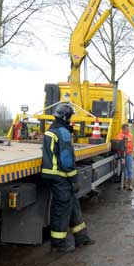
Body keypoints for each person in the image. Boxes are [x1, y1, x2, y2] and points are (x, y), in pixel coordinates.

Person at [41, 103, 94, 253]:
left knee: (73, 205)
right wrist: (74, 179)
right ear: (65, 117)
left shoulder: (51, 130)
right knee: (62, 210)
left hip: (55, 175)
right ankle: (58, 245)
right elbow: (66, 159)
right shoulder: (63, 132)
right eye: (71, 116)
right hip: (61, 177)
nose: (72, 119)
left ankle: (81, 238)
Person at [116, 123, 134, 191]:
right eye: (127, 129)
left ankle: (130, 186)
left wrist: (126, 140)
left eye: (128, 129)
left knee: (130, 170)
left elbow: (131, 144)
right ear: (123, 129)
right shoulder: (119, 136)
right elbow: (120, 144)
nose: (128, 130)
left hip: (129, 155)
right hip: (123, 156)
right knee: (124, 170)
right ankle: (124, 185)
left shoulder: (131, 135)